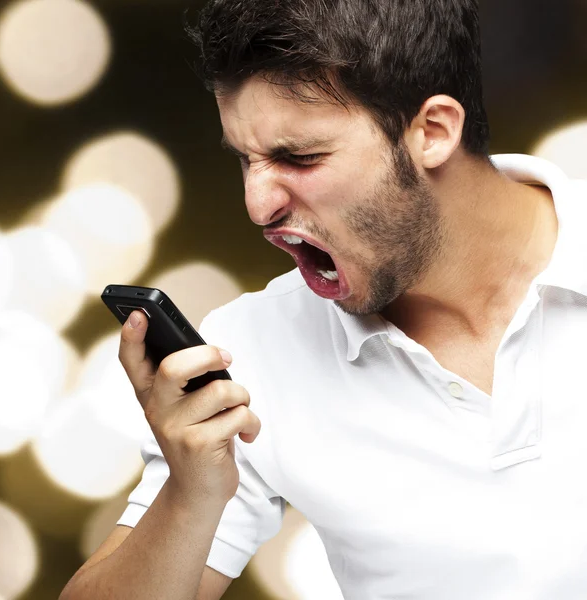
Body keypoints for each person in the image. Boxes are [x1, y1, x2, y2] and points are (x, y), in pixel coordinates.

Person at [60, 0, 587, 599]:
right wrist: (190, 492)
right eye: (245, 160)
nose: (258, 208)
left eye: (300, 157)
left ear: (433, 131)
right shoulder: (248, 355)